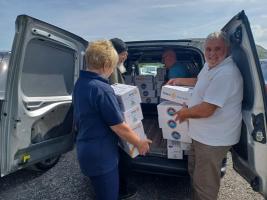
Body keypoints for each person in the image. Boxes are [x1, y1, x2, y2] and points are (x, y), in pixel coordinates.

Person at [167, 31, 243, 200]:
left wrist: (183, 113)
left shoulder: (226, 73)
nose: (212, 53)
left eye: (217, 49)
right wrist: (179, 80)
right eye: (208, 49)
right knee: (195, 173)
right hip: (201, 136)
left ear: (227, 49)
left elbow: (207, 109)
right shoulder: (211, 66)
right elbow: (200, 81)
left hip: (212, 140)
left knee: (205, 184)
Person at [73, 40, 152, 200]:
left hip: (86, 149)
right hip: (102, 156)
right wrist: (139, 142)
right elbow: (119, 127)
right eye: (114, 64)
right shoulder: (102, 89)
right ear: (106, 64)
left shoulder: (81, 83)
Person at [109, 37, 138, 199]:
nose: (125, 57)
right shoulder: (112, 69)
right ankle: (122, 189)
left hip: (119, 118)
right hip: (119, 120)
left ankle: (119, 186)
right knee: (124, 155)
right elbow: (116, 95)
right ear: (115, 53)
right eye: (123, 55)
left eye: (127, 55)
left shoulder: (116, 67)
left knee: (120, 156)